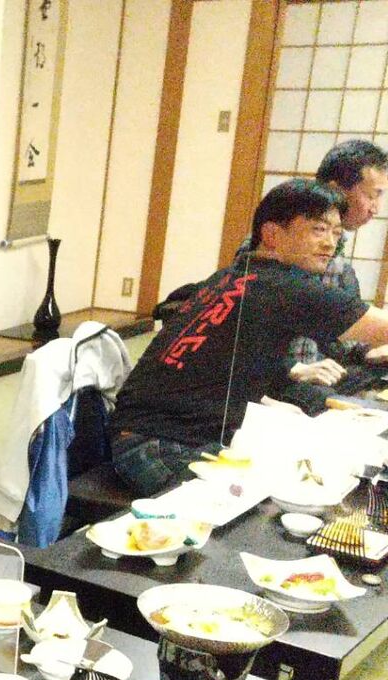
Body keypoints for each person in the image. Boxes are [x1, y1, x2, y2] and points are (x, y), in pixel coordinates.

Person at [111, 178, 388, 495]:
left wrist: (270, 401)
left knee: (304, 463)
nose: (330, 244)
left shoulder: (232, 276)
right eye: (318, 229)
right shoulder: (285, 286)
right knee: (287, 494)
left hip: (146, 433)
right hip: (159, 445)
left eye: (336, 233)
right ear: (271, 234)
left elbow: (219, 363)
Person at [238, 140, 388, 408]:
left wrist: (370, 350)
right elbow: (241, 337)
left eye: (335, 233)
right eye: (371, 195)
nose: (376, 208)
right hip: (279, 378)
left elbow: (342, 334)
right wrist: (292, 368)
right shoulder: (271, 254)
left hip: (322, 371)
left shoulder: (337, 261)